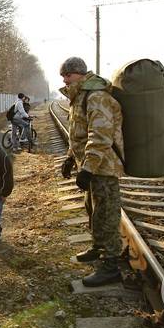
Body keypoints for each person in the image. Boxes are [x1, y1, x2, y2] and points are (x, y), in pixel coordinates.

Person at [59, 57, 124, 287]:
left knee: (106, 214)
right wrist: (70, 158)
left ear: (79, 73)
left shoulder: (96, 96)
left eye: (67, 75)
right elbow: (78, 133)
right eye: (63, 76)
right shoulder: (79, 96)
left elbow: (100, 136)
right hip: (91, 166)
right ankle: (98, 248)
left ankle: (111, 266)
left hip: (103, 167)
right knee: (93, 209)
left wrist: (87, 168)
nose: (65, 80)